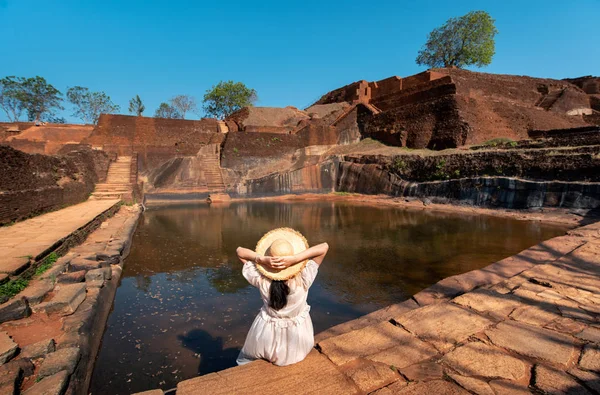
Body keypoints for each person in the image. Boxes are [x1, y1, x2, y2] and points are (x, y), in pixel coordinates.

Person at [235, 227, 329, 366]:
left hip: (267, 337)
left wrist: (261, 259)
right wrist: (295, 259)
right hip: (297, 340)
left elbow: (240, 251)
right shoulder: (303, 278)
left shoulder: (261, 279)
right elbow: (324, 247)